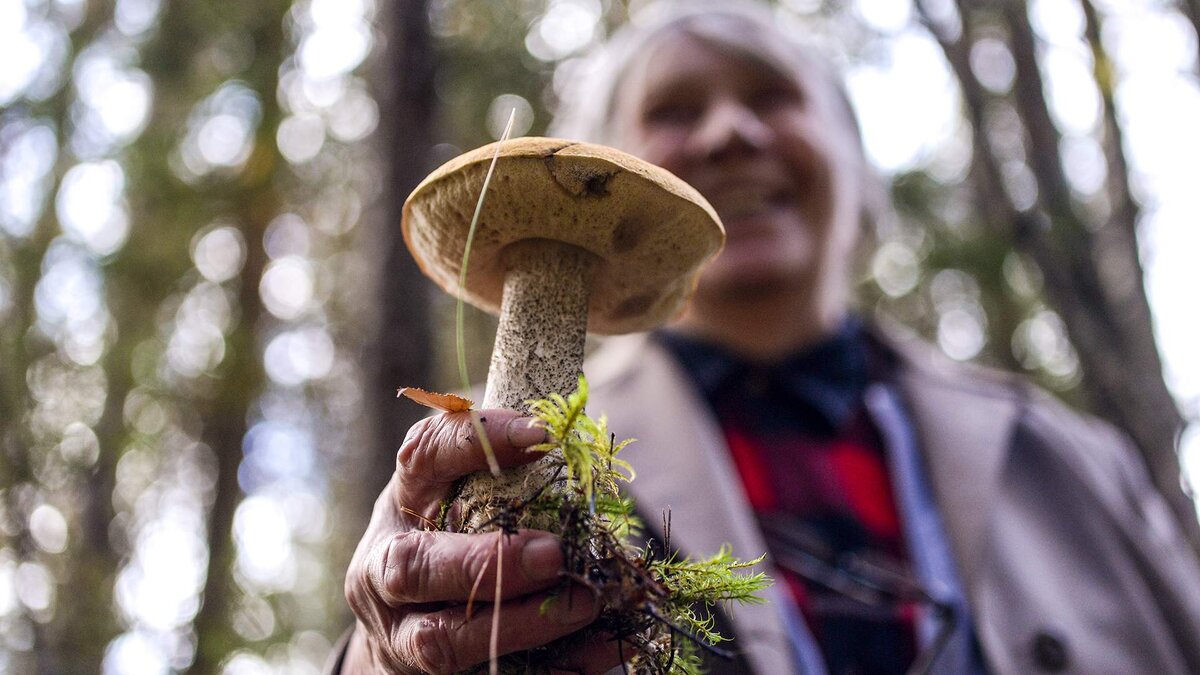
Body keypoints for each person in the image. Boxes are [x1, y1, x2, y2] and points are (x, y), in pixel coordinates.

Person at [332, 3, 1200, 673]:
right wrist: (384, 652)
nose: (728, 133)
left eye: (773, 97)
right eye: (675, 110)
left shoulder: (1073, 460)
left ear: (855, 164)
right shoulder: (508, 458)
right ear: (597, 161)